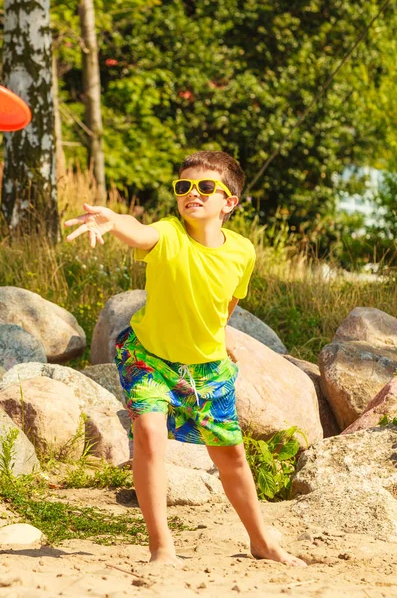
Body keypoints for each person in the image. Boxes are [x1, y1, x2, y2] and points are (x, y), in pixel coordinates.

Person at [64, 150, 306, 568]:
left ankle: (262, 540)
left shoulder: (242, 252)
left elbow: (226, 302)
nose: (192, 193)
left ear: (229, 201)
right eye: (184, 186)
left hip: (207, 368)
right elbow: (139, 232)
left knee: (230, 456)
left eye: (205, 186)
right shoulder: (169, 233)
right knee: (149, 433)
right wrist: (114, 220)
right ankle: (162, 547)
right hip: (148, 355)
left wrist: (219, 335)